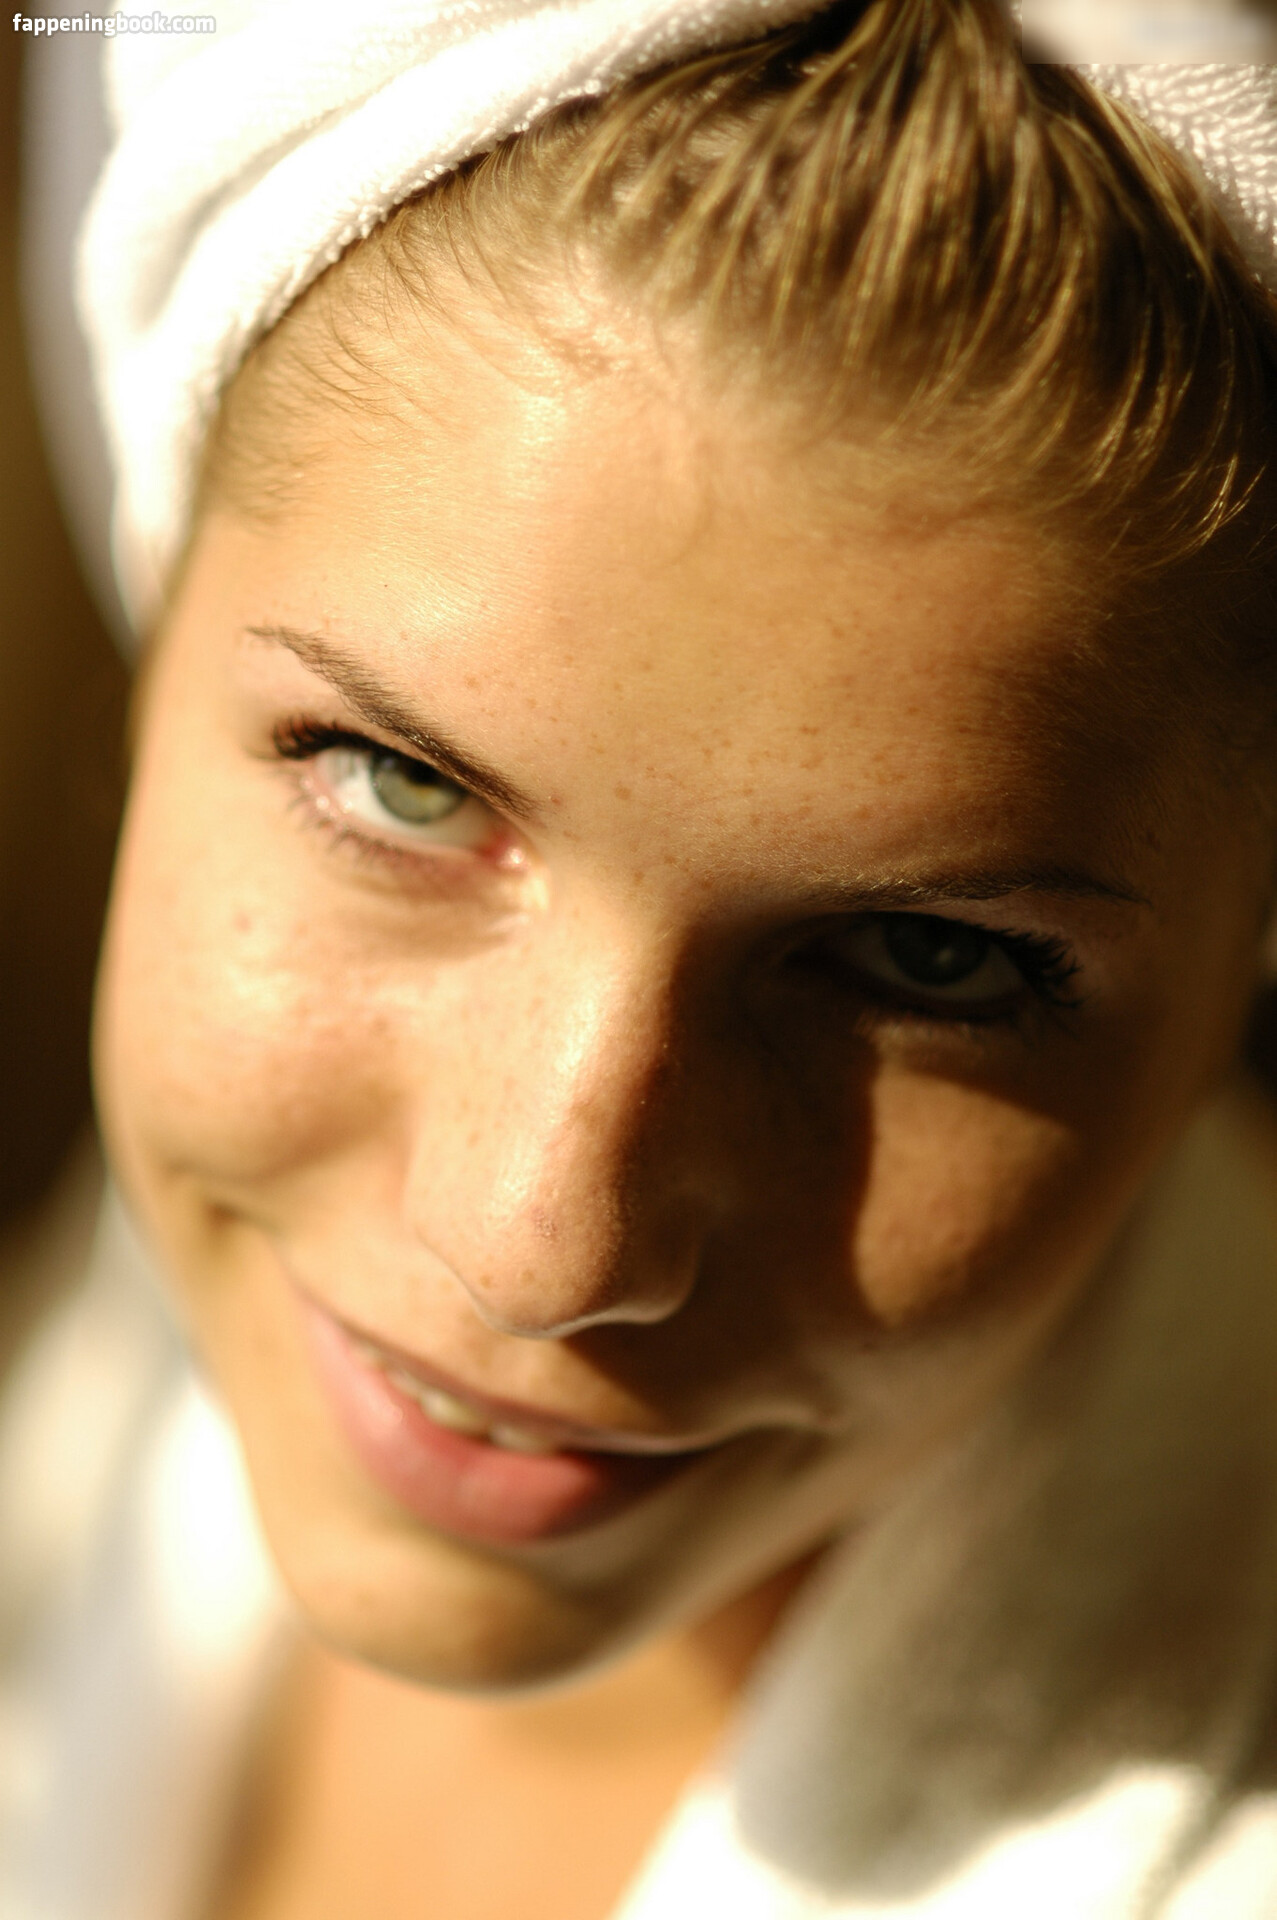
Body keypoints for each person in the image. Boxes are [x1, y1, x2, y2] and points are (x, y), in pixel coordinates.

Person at [5, 1, 1277, 1914]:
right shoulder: (125, 1375)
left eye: (924, 959)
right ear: (156, 622)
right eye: (400, 787)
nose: (539, 1251)